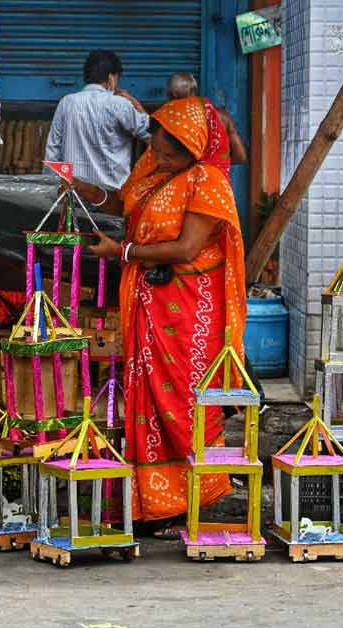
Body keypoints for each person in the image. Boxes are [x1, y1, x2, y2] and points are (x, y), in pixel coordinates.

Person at [72, 96, 247, 535]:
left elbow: (187, 247)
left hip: (188, 309)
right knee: (146, 398)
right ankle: (152, 503)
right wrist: (85, 190)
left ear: (193, 149)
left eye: (172, 153)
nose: (163, 157)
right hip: (151, 303)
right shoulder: (154, 169)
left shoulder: (207, 180)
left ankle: (185, 501)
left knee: (181, 401)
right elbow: (122, 203)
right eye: (159, 148)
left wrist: (123, 252)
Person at [44, 50, 150, 191]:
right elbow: (152, 134)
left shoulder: (67, 102)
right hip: (112, 198)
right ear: (111, 78)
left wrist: (52, 188)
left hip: (74, 194)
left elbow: (52, 151)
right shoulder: (120, 104)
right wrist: (137, 105)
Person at [167, 72, 247, 178]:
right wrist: (213, 164)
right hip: (217, 184)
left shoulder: (171, 120)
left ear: (173, 95)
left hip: (185, 185)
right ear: (194, 91)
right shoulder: (223, 117)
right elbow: (240, 156)